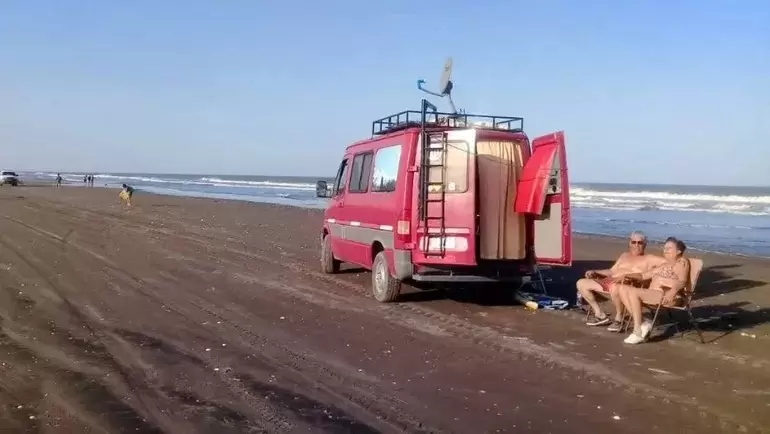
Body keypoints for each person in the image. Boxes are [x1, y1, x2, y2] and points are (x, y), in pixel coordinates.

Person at [577, 231, 665, 331]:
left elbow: (671, 263)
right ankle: (600, 314)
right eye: (633, 242)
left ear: (645, 244)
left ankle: (619, 319)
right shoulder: (624, 255)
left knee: (615, 287)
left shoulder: (650, 259)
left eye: (640, 243)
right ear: (629, 243)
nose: (636, 245)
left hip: (627, 285)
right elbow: (611, 271)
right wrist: (595, 272)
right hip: (609, 281)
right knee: (581, 283)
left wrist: (654, 274)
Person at [614, 237, 690, 344]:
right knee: (622, 288)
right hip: (654, 294)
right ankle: (643, 323)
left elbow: (682, 281)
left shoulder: (682, 262)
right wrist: (626, 275)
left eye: (669, 248)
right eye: (665, 248)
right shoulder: (664, 265)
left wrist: (672, 292)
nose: (665, 250)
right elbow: (644, 275)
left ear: (678, 251)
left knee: (634, 292)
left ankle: (638, 331)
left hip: (669, 296)